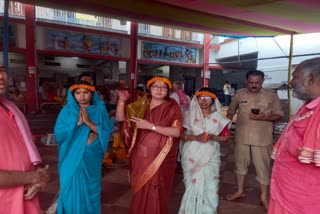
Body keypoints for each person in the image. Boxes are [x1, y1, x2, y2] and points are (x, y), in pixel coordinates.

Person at [116, 76, 183, 214]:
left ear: (168, 91)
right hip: (140, 155)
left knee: (156, 189)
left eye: (163, 87)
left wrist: (151, 126)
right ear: (149, 89)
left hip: (161, 157)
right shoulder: (140, 105)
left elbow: (176, 132)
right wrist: (122, 101)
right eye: (155, 87)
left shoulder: (172, 107)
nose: (159, 89)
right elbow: (121, 119)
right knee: (140, 189)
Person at [226, 70, 284, 209]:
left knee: (263, 168)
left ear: (262, 81)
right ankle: (240, 191)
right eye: (251, 82)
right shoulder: (239, 94)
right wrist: (224, 130)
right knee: (240, 165)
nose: (254, 85)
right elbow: (229, 113)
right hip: (242, 137)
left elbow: (279, 115)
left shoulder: (271, 96)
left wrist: (264, 117)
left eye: (257, 82)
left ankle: (264, 196)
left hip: (262, 139)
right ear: (246, 81)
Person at [269, 58, 320, 214]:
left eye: (294, 76)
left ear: (310, 78)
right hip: (285, 194)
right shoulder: (308, 107)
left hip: (304, 202)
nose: (291, 82)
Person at [54, 80, 111, 213]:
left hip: (92, 154)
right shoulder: (67, 111)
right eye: (78, 93)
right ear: (73, 95)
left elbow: (106, 132)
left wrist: (89, 123)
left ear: (92, 94)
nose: (82, 96)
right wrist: (78, 123)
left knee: (91, 188)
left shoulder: (99, 110)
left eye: (86, 92)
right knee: (69, 187)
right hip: (71, 154)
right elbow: (59, 133)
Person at [0, 65, 50, 213]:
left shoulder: (9, 107)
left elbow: (25, 147)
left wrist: (37, 175)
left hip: (25, 198)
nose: (1, 76)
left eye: (2, 70)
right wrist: (33, 177)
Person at [179, 87, 231, 214]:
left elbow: (226, 138)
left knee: (211, 186)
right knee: (191, 184)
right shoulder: (188, 115)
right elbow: (180, 135)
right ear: (196, 99)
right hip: (191, 154)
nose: (204, 100)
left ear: (213, 100)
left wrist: (213, 137)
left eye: (207, 98)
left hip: (211, 155)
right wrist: (195, 137)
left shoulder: (218, 117)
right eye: (201, 97)